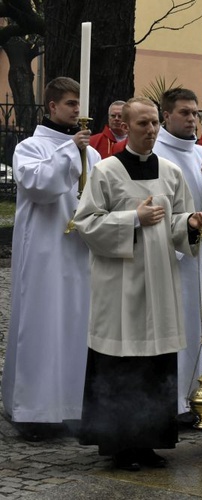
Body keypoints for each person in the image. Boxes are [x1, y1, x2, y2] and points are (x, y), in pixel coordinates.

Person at [74, 97, 202, 471]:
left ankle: (150, 441)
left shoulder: (170, 172)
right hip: (120, 283)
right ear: (126, 127)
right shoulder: (106, 171)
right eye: (142, 125)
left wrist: (190, 225)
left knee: (154, 365)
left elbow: (177, 222)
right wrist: (132, 218)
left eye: (153, 124)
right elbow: (85, 225)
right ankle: (121, 445)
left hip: (159, 280)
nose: (150, 131)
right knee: (122, 364)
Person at [2, 77, 100, 441]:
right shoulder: (30, 146)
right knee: (43, 323)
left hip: (81, 249)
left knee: (78, 323)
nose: (77, 110)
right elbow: (38, 187)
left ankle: (74, 407)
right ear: (52, 107)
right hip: (44, 249)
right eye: (71, 103)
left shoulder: (92, 151)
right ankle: (35, 410)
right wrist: (68, 151)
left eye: (80, 104)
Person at [152, 88, 202, 421]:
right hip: (176, 255)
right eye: (184, 112)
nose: (192, 119)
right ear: (165, 115)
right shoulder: (154, 153)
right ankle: (177, 400)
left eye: (195, 112)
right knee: (179, 325)